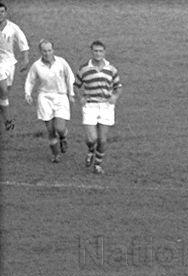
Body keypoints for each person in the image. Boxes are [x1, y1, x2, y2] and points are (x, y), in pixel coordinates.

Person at [74, 40, 122, 175]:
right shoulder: (84, 68)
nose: (98, 53)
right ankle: (90, 150)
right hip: (90, 105)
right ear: (91, 52)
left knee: (102, 139)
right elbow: (76, 85)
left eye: (100, 51)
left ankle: (97, 164)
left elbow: (118, 87)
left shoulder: (111, 69)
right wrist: (81, 98)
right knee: (92, 139)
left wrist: (115, 97)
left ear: (104, 52)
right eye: (95, 51)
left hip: (106, 106)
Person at [24, 39, 76, 163]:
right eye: (44, 51)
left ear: (53, 50)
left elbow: (70, 77)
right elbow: (30, 80)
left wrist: (71, 93)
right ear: (40, 51)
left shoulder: (61, 62)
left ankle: (63, 137)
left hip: (60, 96)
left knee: (60, 127)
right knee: (50, 129)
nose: (47, 53)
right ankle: (56, 154)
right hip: (45, 97)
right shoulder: (37, 65)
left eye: (49, 50)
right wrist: (28, 93)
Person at [0, 2, 29, 131]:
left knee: (5, 92)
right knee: (3, 90)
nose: (0, 14)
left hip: (9, 63)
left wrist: (25, 58)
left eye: (2, 12)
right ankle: (7, 121)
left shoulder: (12, 27)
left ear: (6, 13)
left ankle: (5, 118)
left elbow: (22, 41)